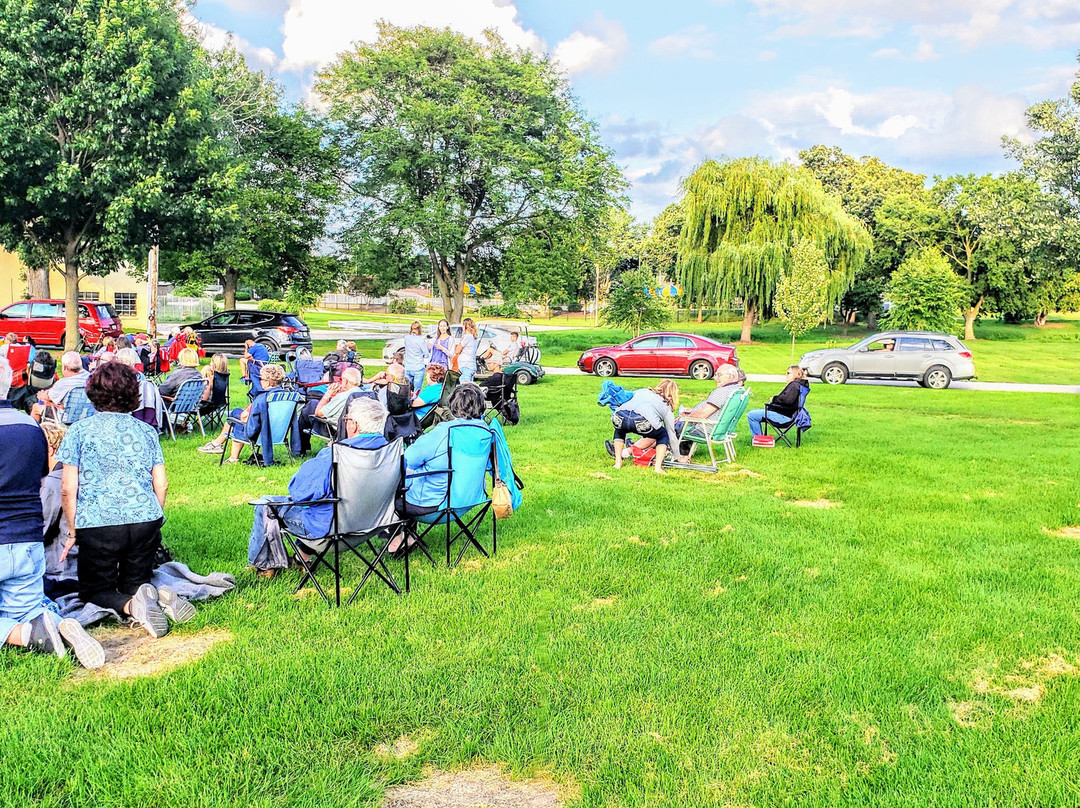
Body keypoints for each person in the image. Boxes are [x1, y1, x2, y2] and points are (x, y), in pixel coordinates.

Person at [55, 362, 190, 639]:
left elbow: (68, 488)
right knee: (137, 582)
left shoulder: (78, 431)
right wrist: (153, 516)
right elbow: (161, 483)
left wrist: (72, 531)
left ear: (93, 393)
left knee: (94, 590)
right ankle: (156, 597)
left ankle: (132, 607)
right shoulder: (147, 431)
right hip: (145, 518)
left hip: (98, 523)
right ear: (133, 393)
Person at [0, 356, 102, 665]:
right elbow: (40, 479)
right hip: (28, 540)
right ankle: (57, 627)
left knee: (19, 618)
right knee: (28, 609)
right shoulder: (32, 428)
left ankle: (26, 635)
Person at [249, 397, 391, 575]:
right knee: (322, 505)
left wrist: (326, 454)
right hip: (372, 525)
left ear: (353, 425)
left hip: (333, 532)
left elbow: (298, 491)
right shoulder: (391, 452)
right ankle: (301, 558)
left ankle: (264, 567)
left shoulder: (337, 454)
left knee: (266, 505)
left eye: (346, 419)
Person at [401, 384, 520, 528]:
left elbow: (410, 458)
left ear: (452, 405)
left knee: (391, 486)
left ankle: (399, 537)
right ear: (482, 406)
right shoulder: (487, 432)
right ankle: (406, 536)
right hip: (472, 500)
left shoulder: (444, 431)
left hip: (433, 506)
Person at [197, 363, 293, 462]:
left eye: (261, 379)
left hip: (259, 435)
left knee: (236, 420)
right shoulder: (288, 396)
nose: (259, 381)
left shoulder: (262, 398)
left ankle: (231, 457)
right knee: (237, 412)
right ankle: (217, 443)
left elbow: (245, 418)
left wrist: (248, 410)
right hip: (279, 433)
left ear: (268, 382)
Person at [609, 379, 680, 474]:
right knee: (663, 435)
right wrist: (678, 456)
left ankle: (618, 463)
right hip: (641, 421)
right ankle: (658, 468)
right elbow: (671, 434)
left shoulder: (642, 390)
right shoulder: (666, 405)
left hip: (620, 416)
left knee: (619, 430)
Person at [674, 364, 741, 461]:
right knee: (681, 424)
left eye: (719, 375)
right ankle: (683, 451)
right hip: (720, 429)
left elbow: (702, 414)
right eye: (716, 375)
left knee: (672, 427)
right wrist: (692, 411)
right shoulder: (736, 390)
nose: (715, 378)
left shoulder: (722, 392)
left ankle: (673, 454)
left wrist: (684, 417)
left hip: (705, 429)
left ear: (730, 376)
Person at [747, 366, 809, 437]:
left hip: (784, 417)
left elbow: (787, 401)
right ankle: (759, 439)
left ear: (797, 374)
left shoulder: (794, 386)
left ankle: (758, 439)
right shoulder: (799, 385)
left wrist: (773, 399)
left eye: (788, 373)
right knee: (755, 413)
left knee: (751, 415)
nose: (786, 375)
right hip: (788, 415)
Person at [31, 351, 89, 422]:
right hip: (87, 415)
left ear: (64, 367)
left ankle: (33, 428)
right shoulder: (91, 378)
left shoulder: (63, 383)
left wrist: (41, 395)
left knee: (36, 407)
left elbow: (46, 398)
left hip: (65, 417)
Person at [116, 348, 164, 428]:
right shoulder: (140, 375)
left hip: (124, 403)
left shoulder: (118, 376)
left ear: (119, 359)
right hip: (140, 405)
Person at [403, 321, 431, 392]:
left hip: (408, 366)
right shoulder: (421, 340)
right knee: (417, 390)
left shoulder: (406, 338)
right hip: (418, 367)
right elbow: (426, 354)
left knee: (407, 389)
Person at [456, 318, 480, 383]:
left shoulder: (467, 337)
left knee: (465, 386)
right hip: (471, 365)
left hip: (465, 365)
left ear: (465, 326)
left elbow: (457, 351)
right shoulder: (474, 337)